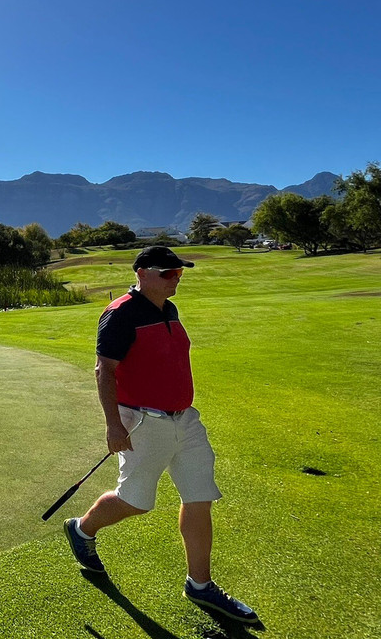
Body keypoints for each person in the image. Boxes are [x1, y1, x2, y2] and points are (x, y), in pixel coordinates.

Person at [62, 245, 258, 624]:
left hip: (185, 420)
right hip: (142, 421)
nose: (175, 279)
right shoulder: (120, 314)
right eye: (167, 273)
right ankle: (83, 530)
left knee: (199, 496)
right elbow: (104, 371)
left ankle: (200, 585)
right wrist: (113, 425)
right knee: (135, 502)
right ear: (141, 274)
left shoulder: (170, 310)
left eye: (178, 272)